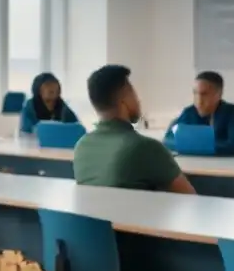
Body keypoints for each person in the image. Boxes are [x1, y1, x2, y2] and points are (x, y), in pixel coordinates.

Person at [73, 65, 196, 194]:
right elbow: (189, 198)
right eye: (133, 93)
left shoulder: (82, 146)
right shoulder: (145, 147)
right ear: (124, 100)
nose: (138, 100)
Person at [162, 71, 234, 156]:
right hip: (193, 165)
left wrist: (192, 145)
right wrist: (208, 146)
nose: (199, 101)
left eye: (204, 94)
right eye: (195, 93)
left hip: (225, 168)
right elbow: (167, 141)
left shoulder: (232, 113)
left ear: (219, 94)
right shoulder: (189, 112)